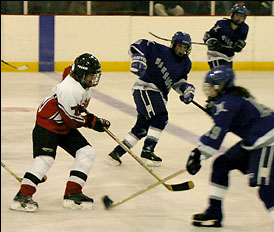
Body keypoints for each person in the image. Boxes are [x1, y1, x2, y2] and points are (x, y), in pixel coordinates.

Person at [185, 65, 274, 232]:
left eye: (214, 86)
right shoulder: (233, 97)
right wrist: (218, 112)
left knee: (266, 188)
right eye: (209, 86)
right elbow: (232, 118)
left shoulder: (228, 103)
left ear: (224, 86)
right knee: (222, 164)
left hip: (269, 143)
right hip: (255, 141)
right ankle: (214, 212)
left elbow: (218, 133)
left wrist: (199, 153)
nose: (210, 90)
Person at [10, 53, 111, 212]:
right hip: (47, 125)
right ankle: (22, 196)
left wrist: (94, 119)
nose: (93, 80)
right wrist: (93, 122)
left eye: (94, 76)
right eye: (90, 76)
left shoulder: (80, 82)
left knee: (86, 152)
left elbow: (76, 110)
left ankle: (73, 192)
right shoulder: (69, 89)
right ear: (80, 74)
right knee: (45, 159)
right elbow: (71, 120)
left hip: (62, 126)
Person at [108, 31, 195, 167]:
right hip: (145, 89)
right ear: (173, 45)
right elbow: (139, 44)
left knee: (141, 129)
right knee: (161, 117)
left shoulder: (185, 63)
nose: (182, 50)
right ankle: (148, 151)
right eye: (179, 46)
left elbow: (178, 82)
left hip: (157, 94)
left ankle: (116, 153)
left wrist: (186, 90)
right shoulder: (160, 50)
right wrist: (138, 57)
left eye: (185, 48)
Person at [203, 4, 249, 69]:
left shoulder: (244, 28)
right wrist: (212, 42)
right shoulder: (222, 24)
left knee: (227, 77)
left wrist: (239, 46)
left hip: (229, 57)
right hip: (215, 55)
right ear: (232, 15)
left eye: (241, 16)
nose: (239, 18)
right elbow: (208, 35)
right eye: (237, 15)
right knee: (220, 76)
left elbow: (241, 40)